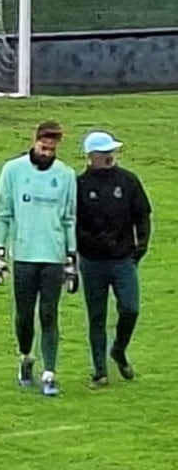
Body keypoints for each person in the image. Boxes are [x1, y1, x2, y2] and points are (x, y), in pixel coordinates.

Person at [0, 121, 78, 397]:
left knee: (49, 314)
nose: (47, 154)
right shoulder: (13, 171)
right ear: (35, 141)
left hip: (52, 257)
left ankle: (50, 373)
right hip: (25, 256)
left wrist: (71, 259)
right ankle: (26, 357)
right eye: (43, 147)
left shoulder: (66, 175)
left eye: (52, 149)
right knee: (25, 316)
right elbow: (3, 214)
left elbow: (68, 219)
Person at [76, 130, 152, 386]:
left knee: (130, 308)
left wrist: (141, 245)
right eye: (104, 153)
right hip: (92, 261)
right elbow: (74, 224)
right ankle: (99, 371)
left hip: (123, 260)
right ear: (91, 157)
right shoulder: (80, 186)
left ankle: (118, 349)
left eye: (112, 152)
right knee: (96, 315)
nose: (110, 157)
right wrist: (89, 242)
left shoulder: (128, 181)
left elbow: (142, 214)